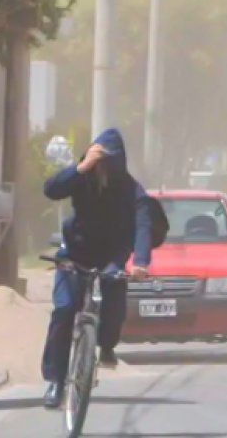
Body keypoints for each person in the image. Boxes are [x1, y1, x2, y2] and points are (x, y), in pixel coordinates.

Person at [40, 128, 152, 409]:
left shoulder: (130, 189)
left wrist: (140, 261)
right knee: (64, 309)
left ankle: (107, 345)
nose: (102, 169)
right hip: (75, 253)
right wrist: (80, 168)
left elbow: (143, 224)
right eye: (98, 161)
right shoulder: (81, 178)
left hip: (111, 255)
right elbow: (51, 190)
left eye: (108, 162)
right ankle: (55, 380)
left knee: (115, 289)